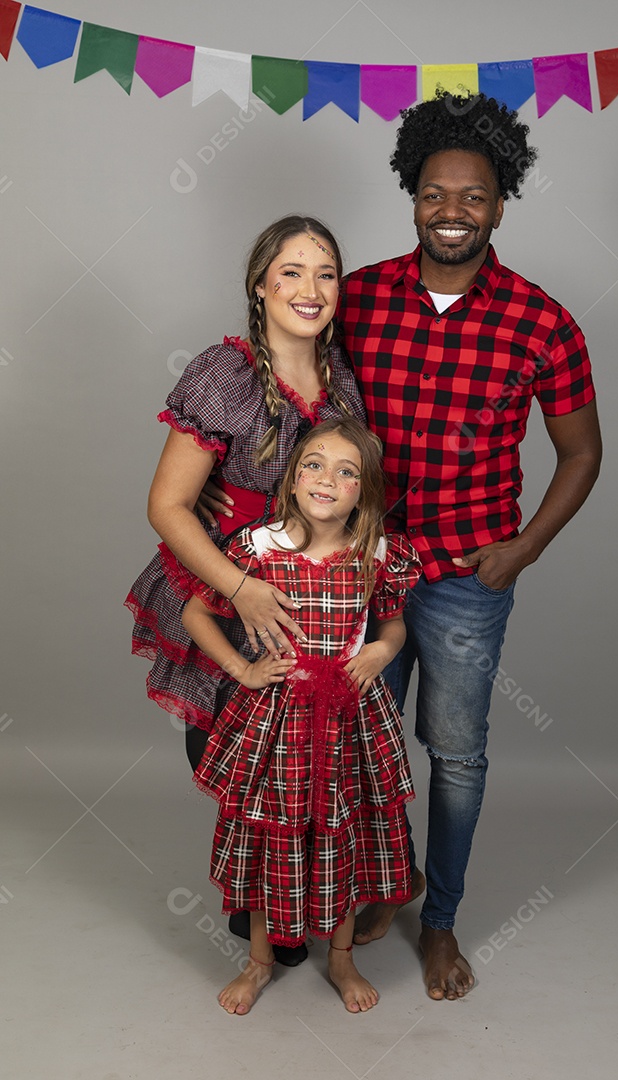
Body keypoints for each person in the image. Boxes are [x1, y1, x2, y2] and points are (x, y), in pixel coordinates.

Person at [201, 92, 602, 1002]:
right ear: (411, 197)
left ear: (501, 204)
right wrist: (235, 471)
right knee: (349, 748)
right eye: (433, 193)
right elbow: (291, 389)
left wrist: (524, 548)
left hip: (466, 576)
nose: (451, 210)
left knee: (453, 752)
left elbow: (581, 452)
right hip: (354, 574)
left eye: (473, 196)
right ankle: (379, 888)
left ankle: (442, 920)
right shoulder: (363, 296)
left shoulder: (543, 321)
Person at [125, 214, 365, 965]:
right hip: (228, 588)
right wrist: (242, 587)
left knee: (297, 755)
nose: (310, 287)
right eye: (291, 271)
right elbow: (166, 505)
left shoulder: (342, 385)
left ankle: (295, 902)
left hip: (305, 597)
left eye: (325, 273)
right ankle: (258, 910)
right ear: (260, 287)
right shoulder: (223, 374)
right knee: (238, 755)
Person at [181, 418, 421, 1015]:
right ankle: (260, 960)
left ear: (364, 491)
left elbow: (392, 623)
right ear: (291, 479)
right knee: (272, 833)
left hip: (351, 719)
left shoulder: (378, 554)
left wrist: (382, 651)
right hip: (277, 720)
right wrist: (242, 670)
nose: (327, 479)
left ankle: (341, 956)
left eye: (347, 472)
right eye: (313, 464)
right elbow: (195, 614)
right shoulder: (255, 550)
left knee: (344, 829)